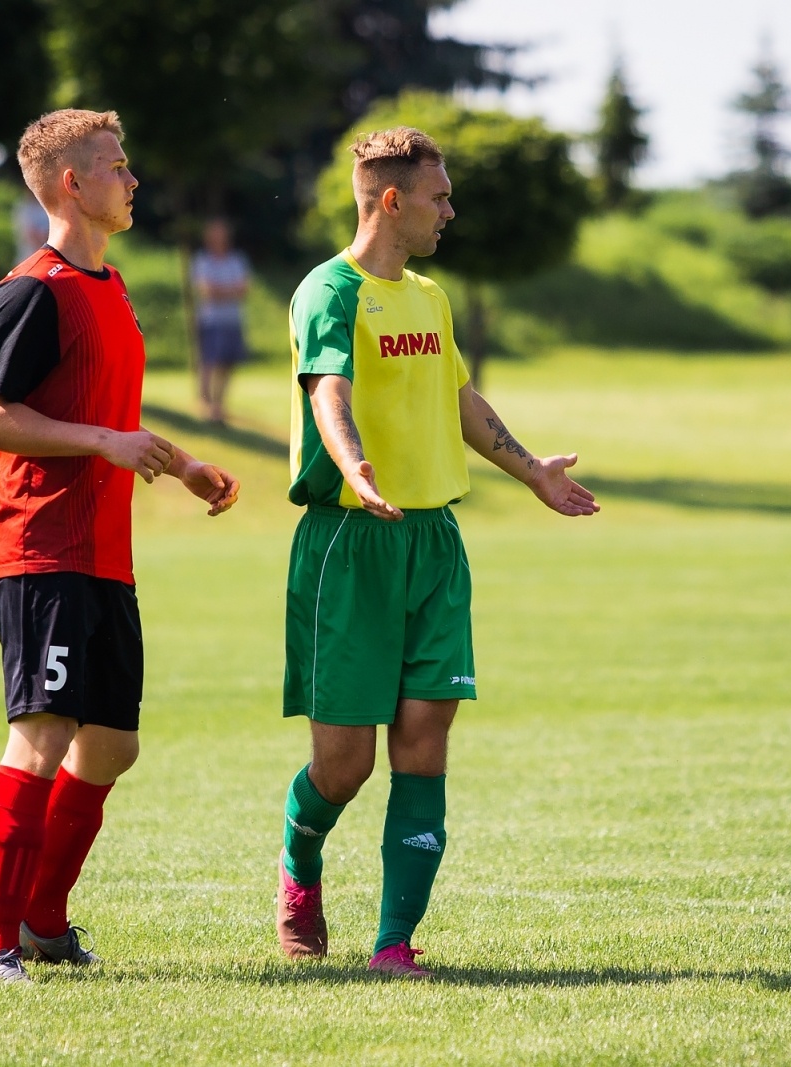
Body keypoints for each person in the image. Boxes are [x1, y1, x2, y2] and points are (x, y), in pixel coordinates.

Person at [273, 127, 599, 978]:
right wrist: (355, 466)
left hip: (433, 543)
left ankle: (393, 943)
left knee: (424, 739)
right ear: (391, 199)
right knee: (343, 766)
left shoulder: (429, 297)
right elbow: (328, 392)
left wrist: (531, 471)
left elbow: (457, 397)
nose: (449, 209)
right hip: (351, 541)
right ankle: (300, 863)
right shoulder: (328, 291)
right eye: (439, 195)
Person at [0, 108, 241, 984]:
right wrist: (101, 442)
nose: (132, 180)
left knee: (112, 744)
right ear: (70, 183)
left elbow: (102, 415)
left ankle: (46, 923)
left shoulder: (109, 287)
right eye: (115, 166)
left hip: (101, 555)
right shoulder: (32, 288)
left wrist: (178, 459)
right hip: (40, 549)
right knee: (42, 735)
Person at [190, 218, 250, 425]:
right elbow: (207, 291)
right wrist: (230, 290)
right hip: (211, 320)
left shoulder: (236, 259)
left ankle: (219, 405)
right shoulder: (202, 260)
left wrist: (221, 290)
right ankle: (206, 406)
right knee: (209, 363)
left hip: (232, 320)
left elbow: (243, 290)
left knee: (227, 364)